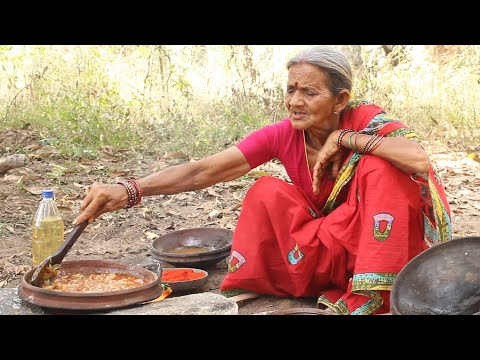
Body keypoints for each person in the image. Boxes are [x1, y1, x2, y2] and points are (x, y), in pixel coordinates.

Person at [73, 46, 452, 315]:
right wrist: (130, 189)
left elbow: (417, 159)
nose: (295, 102)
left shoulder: (365, 120)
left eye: (309, 91)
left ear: (341, 100)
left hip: (381, 245)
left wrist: (346, 139)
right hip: (331, 245)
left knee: (380, 165)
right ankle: (298, 281)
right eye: (290, 90)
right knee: (267, 190)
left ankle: (377, 292)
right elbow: (204, 170)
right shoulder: (281, 134)